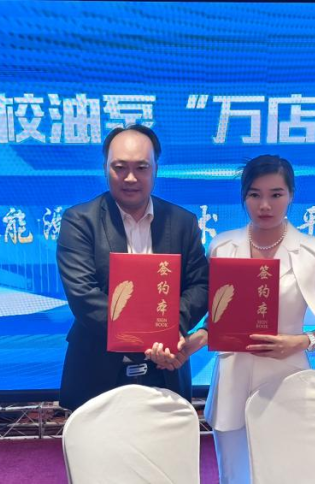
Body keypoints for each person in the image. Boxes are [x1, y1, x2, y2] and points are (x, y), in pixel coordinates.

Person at [188, 155, 315, 483]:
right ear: (243, 197)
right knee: (234, 471)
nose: (265, 205)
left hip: (286, 373)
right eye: (255, 194)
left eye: (276, 194)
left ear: (291, 195)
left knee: (286, 469)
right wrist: (197, 338)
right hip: (232, 375)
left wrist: (303, 341)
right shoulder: (222, 246)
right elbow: (216, 314)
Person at [56, 125, 209, 411]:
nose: (130, 177)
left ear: (155, 169)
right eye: (119, 167)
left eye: (141, 167)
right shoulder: (79, 221)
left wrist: (170, 327)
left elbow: (200, 285)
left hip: (166, 370)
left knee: (166, 441)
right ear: (105, 168)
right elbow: (83, 296)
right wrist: (150, 337)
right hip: (96, 371)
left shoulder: (182, 222)